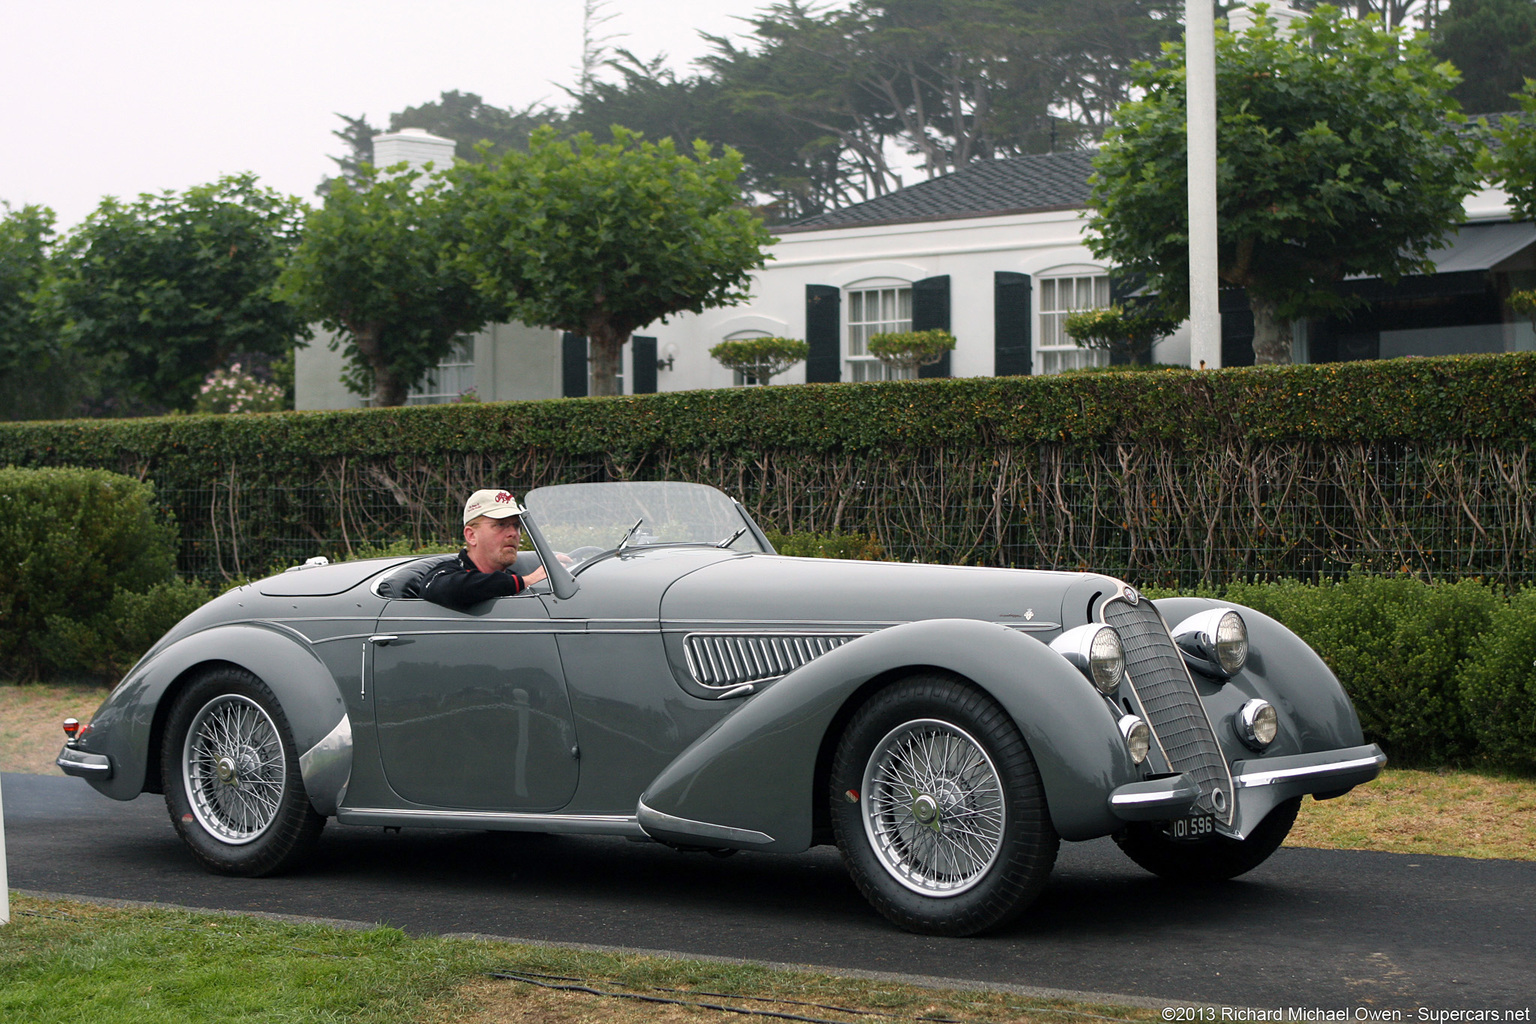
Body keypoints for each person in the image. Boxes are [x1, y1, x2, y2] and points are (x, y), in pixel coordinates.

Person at [421, 488, 548, 610]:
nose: (513, 533)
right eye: (500, 524)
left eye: (516, 525)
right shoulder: (444, 574)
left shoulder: (514, 580)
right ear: (471, 535)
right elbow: (449, 588)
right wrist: (526, 581)